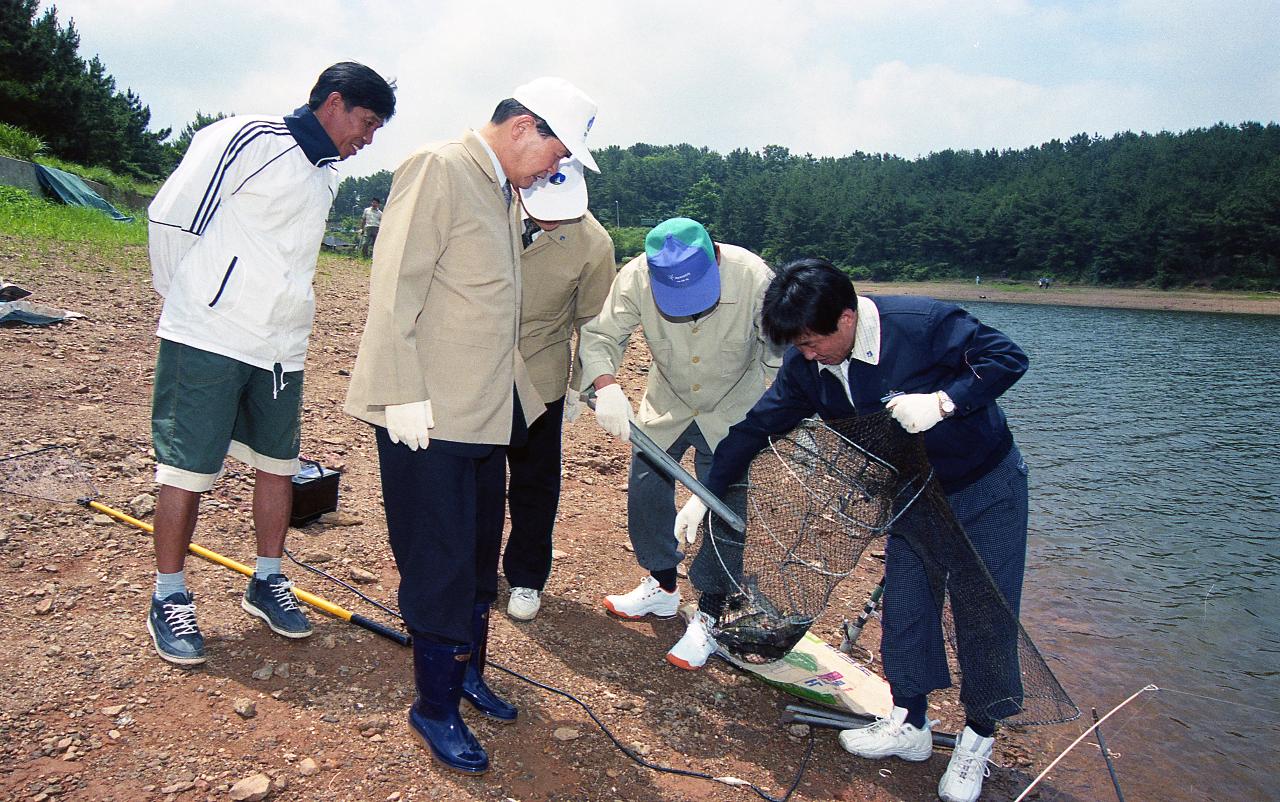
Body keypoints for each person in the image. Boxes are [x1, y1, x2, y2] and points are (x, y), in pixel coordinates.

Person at [677, 257, 1029, 802]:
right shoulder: (807, 367)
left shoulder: (923, 324)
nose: (806, 354)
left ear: (847, 318)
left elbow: (1007, 358)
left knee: (984, 612)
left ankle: (977, 740)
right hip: (913, 495)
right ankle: (910, 724)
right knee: (908, 607)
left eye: (813, 341)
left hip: (983, 484)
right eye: (797, 345)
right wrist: (706, 495)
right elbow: (755, 429)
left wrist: (943, 401)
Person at [344, 77, 599, 775]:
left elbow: (490, 306)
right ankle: (433, 706)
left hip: (486, 413)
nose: (556, 169)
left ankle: (465, 674)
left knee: (480, 551)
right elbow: (395, 283)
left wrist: (531, 403)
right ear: (524, 127)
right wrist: (398, 392)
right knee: (440, 561)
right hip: (427, 413)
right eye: (558, 152)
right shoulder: (441, 168)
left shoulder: (497, 187)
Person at [143, 62, 396, 668]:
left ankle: (266, 579)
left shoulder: (326, 175)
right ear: (333, 103)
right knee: (186, 469)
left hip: (280, 347)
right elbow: (170, 218)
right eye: (366, 123)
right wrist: (195, 303)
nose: (369, 139)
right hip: (208, 336)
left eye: (378, 129)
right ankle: (169, 595)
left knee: (278, 465)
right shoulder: (246, 138)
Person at [577, 217, 781, 661]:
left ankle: (710, 613)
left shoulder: (754, 278)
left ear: (716, 256)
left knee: (725, 509)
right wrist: (607, 384)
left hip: (731, 411)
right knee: (646, 487)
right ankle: (664, 585)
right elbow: (601, 335)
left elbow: (778, 355)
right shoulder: (636, 275)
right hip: (667, 400)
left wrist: (763, 418)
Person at [503, 158, 615, 622]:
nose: (546, 219)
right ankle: (469, 568)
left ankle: (527, 577)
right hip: (475, 366)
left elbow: (593, 324)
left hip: (539, 374)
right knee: (474, 477)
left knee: (534, 483)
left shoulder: (594, 244)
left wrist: (579, 387)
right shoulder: (494, 206)